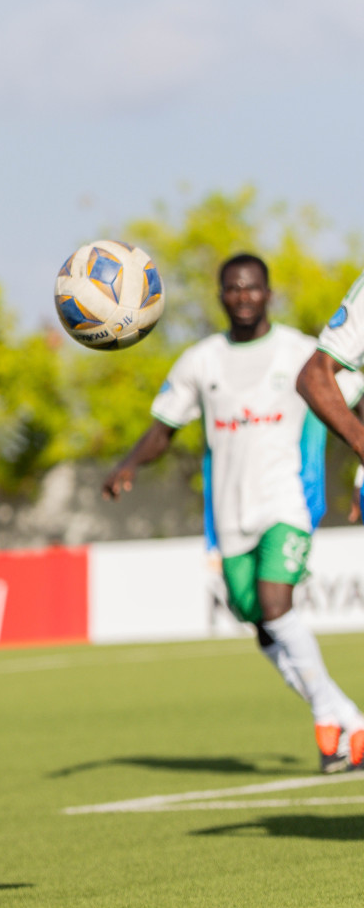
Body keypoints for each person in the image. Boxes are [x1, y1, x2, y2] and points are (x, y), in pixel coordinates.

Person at [104, 254, 364, 772]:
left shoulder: (299, 352)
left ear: (269, 293)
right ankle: (346, 721)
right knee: (262, 622)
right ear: (220, 295)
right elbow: (165, 427)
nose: (243, 297)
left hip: (286, 500)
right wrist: (129, 465)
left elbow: (349, 395)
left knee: (274, 603)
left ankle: (332, 721)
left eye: (252, 288)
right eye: (232, 289)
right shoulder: (201, 361)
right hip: (228, 512)